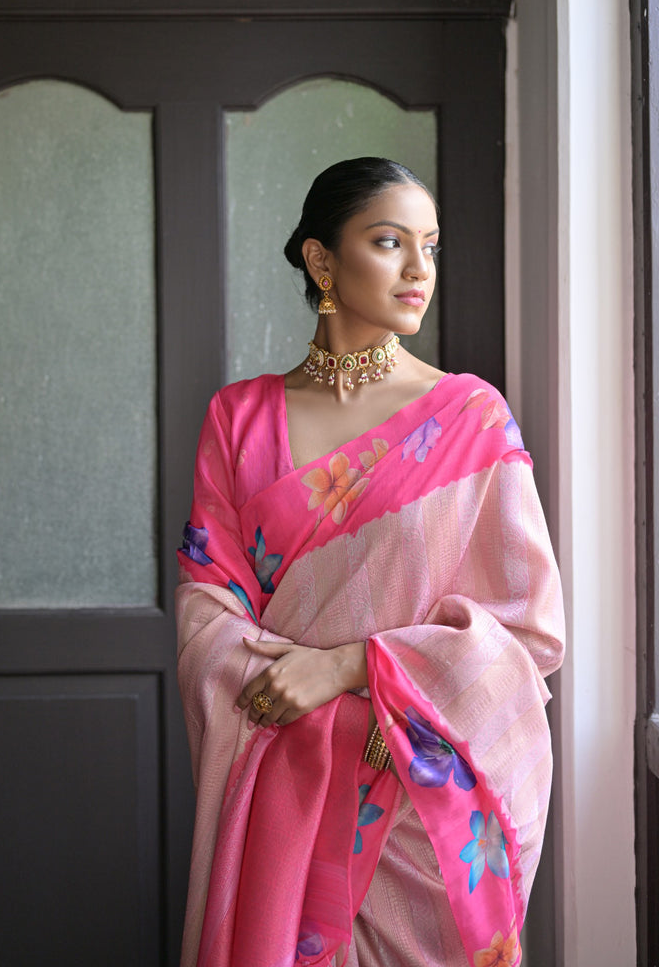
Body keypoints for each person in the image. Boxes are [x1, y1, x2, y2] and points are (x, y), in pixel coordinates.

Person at [175, 157, 564, 967]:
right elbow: (208, 608)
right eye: (391, 242)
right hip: (287, 787)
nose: (420, 269)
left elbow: (525, 632)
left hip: (417, 812)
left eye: (431, 245)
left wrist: (356, 672)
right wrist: (315, 701)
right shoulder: (239, 418)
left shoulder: (471, 420)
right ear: (322, 260)